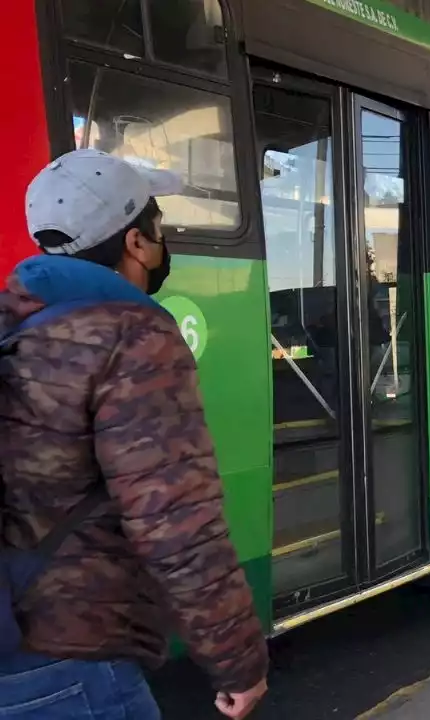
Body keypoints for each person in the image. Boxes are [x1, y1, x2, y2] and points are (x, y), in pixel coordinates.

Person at [0, 150, 268, 718]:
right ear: (135, 242)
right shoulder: (133, 338)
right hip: (70, 657)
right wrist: (237, 661)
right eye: (158, 225)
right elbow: (176, 521)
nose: (162, 239)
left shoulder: (15, 322)